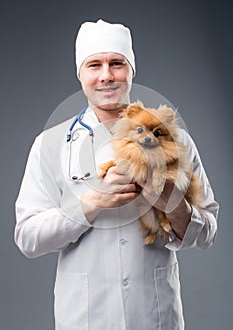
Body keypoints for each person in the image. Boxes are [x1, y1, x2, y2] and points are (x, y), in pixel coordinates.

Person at [15, 19, 219, 330]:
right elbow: (28, 238)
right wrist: (91, 203)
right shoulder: (50, 144)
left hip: (155, 315)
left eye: (117, 63)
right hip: (84, 318)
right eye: (94, 65)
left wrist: (175, 206)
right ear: (80, 74)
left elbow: (208, 231)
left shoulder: (174, 139)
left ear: (132, 70)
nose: (106, 75)